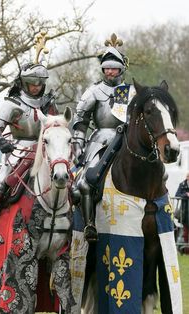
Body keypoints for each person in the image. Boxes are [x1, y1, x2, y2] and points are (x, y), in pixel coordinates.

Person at [0, 60, 59, 243]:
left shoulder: (48, 103)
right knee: (1, 185)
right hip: (17, 148)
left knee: (63, 176)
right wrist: (1, 141)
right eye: (32, 84)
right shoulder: (13, 103)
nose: (36, 88)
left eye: (39, 84)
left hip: (44, 148)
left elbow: (57, 125)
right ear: (23, 83)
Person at [72, 33, 136, 242]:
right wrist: (79, 145)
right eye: (107, 68)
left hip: (126, 140)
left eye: (114, 68)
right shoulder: (93, 91)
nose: (110, 72)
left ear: (121, 70)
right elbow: (80, 122)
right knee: (84, 183)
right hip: (99, 140)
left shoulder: (130, 92)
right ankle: (90, 224)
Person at [175, 172, 189, 253]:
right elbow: (177, 195)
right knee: (185, 231)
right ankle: (186, 250)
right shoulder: (182, 184)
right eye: (187, 176)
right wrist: (186, 195)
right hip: (185, 212)